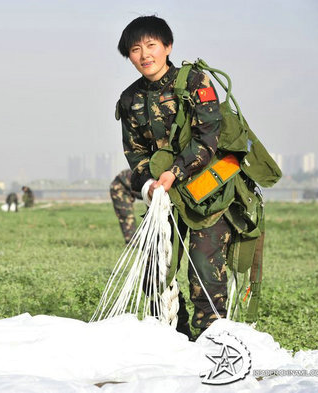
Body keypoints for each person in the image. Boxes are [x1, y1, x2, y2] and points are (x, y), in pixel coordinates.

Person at [116, 16, 231, 338]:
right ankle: (171, 339)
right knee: (154, 269)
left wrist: (175, 172)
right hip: (163, 194)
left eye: (151, 45)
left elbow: (208, 138)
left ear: (167, 47)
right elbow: (135, 153)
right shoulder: (130, 100)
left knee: (204, 266)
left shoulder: (195, 82)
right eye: (135, 49)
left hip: (206, 189)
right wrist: (148, 183)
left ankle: (212, 344)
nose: (144, 55)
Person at [109, 169, 142, 244]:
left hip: (128, 188)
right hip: (119, 189)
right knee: (127, 216)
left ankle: (134, 241)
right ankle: (131, 242)